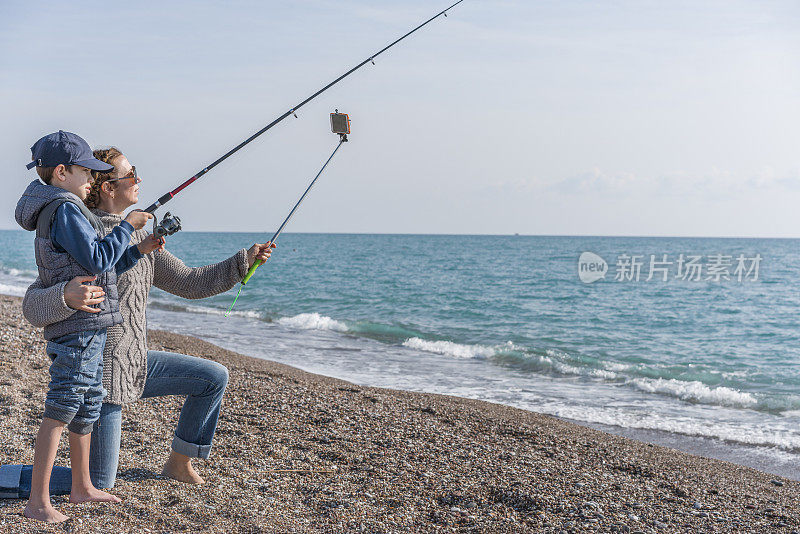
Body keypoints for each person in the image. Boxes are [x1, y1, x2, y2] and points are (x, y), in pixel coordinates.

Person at [13, 146, 274, 498]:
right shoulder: (81, 233)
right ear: (108, 188)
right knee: (101, 480)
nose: (139, 181)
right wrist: (64, 296)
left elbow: (190, 282)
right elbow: (32, 303)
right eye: (131, 175)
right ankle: (11, 478)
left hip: (136, 362)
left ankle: (180, 461)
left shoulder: (137, 238)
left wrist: (243, 261)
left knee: (213, 377)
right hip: (100, 376)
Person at [14, 132, 162, 522]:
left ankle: (82, 488)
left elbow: (104, 265)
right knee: (62, 406)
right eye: (86, 172)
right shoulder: (65, 209)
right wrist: (127, 226)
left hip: (92, 325)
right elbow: (97, 259)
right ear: (61, 172)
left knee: (87, 405)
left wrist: (137, 251)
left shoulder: (70, 207)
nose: (91, 180)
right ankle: (37, 502)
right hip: (78, 327)